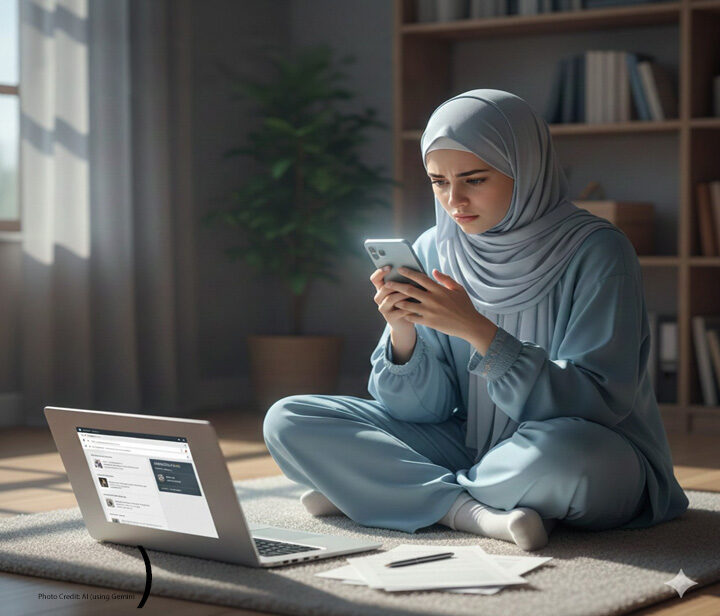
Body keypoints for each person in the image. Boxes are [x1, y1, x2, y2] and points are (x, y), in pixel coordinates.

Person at [262, 89, 689, 551]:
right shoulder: (433, 248)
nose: (454, 200)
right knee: (288, 419)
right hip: (467, 442)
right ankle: (468, 511)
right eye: (438, 181)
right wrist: (402, 333)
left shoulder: (598, 250)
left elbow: (598, 402)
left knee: (571, 460)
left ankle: (385, 492)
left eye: (474, 179)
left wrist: (476, 329)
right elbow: (419, 411)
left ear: (524, 168)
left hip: (578, 448)